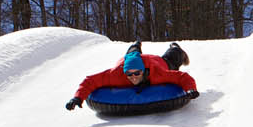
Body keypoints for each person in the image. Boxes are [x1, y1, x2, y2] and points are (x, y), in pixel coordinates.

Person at [65, 40, 197, 111]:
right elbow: (91, 81)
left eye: (137, 73)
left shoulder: (157, 73)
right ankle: (135, 45)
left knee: (173, 58)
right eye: (129, 74)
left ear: (143, 71)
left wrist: (191, 89)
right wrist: (77, 97)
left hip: (156, 62)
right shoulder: (116, 74)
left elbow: (182, 77)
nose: (133, 77)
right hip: (128, 59)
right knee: (131, 53)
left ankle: (175, 46)